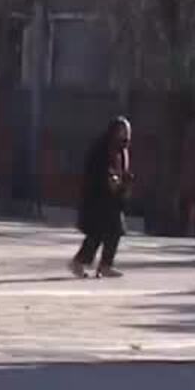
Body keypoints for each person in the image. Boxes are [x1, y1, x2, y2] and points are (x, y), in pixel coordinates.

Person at [73, 117, 132, 278]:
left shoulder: (122, 150)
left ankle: (104, 265)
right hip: (98, 197)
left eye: (128, 130)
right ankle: (81, 262)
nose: (126, 134)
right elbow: (97, 172)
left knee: (114, 231)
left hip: (113, 198)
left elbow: (121, 172)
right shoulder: (102, 148)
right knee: (98, 232)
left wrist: (124, 183)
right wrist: (110, 178)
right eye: (123, 130)